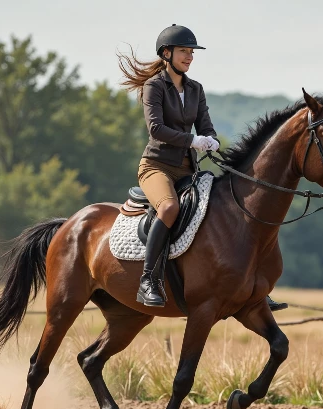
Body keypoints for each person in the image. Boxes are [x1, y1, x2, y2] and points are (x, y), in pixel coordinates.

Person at [118, 25, 287, 312]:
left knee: (225, 211)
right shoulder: (154, 86)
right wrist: (192, 139)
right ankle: (149, 279)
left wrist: (210, 140)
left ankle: (253, 285)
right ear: (166, 53)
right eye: (184, 51)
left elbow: (206, 127)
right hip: (156, 167)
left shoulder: (196, 89)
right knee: (169, 209)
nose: (190, 57)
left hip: (187, 170)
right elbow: (156, 129)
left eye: (192, 52)